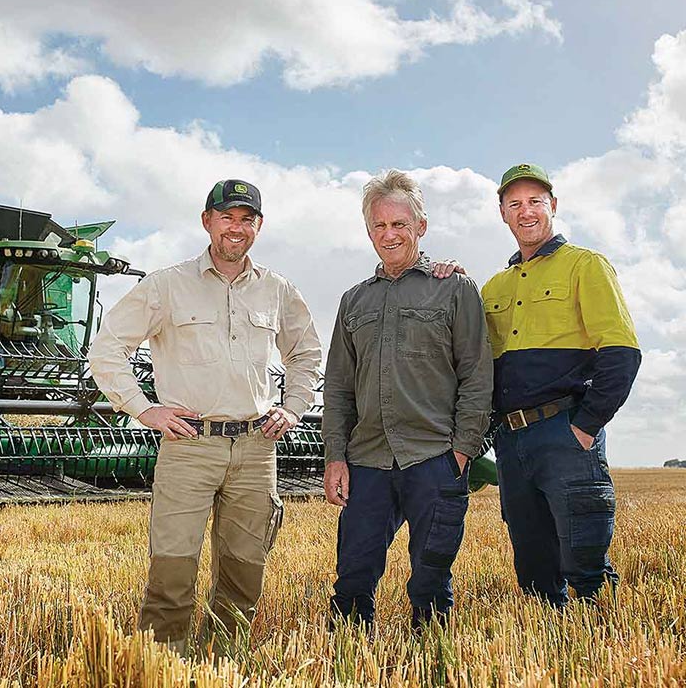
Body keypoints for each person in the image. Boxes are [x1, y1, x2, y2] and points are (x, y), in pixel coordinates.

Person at [87, 179, 322, 653]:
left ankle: (221, 665)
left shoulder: (277, 290)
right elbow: (107, 348)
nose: (236, 228)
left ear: (258, 226)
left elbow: (307, 353)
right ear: (207, 221)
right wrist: (144, 409)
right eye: (227, 217)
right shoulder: (167, 285)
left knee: (242, 578)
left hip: (257, 450)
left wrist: (293, 407)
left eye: (246, 219)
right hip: (189, 447)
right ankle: (162, 667)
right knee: (171, 575)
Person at [322, 170, 493, 630]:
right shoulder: (353, 301)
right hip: (367, 460)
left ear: (421, 226)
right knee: (352, 578)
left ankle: (431, 663)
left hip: (434, 456)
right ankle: (350, 664)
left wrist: (462, 451)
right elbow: (337, 386)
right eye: (379, 226)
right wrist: (336, 457)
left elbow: (477, 374)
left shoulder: (455, 288)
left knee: (431, 582)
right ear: (368, 231)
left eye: (400, 224)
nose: (389, 235)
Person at [482, 163, 640, 607]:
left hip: (565, 432)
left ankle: (605, 658)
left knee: (586, 567)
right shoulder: (494, 285)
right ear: (502, 213)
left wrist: (585, 426)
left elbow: (622, 354)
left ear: (553, 205)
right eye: (515, 204)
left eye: (535, 201)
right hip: (511, 443)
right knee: (534, 574)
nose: (525, 211)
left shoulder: (585, 266)